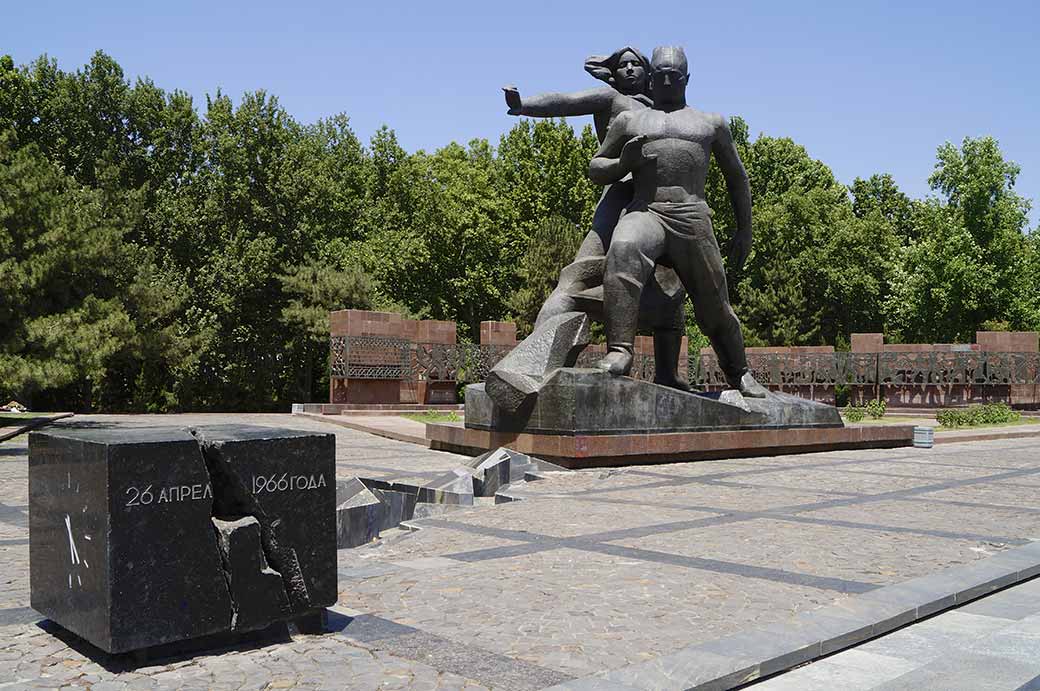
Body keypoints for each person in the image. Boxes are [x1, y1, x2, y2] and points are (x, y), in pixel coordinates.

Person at [503, 47, 689, 390]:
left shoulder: (665, 110)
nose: (629, 69)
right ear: (613, 74)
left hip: (660, 205)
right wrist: (523, 105)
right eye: (623, 65)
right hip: (619, 198)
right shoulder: (612, 99)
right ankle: (534, 361)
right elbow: (565, 102)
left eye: (636, 64)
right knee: (578, 277)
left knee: (670, 289)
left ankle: (668, 373)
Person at [589, 46, 768, 397]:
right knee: (623, 250)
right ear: (651, 79)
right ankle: (620, 351)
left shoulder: (711, 123)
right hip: (647, 210)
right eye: (660, 76)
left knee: (714, 302)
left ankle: (739, 372)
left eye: (674, 76)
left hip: (692, 216)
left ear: (688, 79)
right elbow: (597, 167)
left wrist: (744, 231)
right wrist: (623, 163)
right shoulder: (629, 121)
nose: (667, 82)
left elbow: (737, 178)